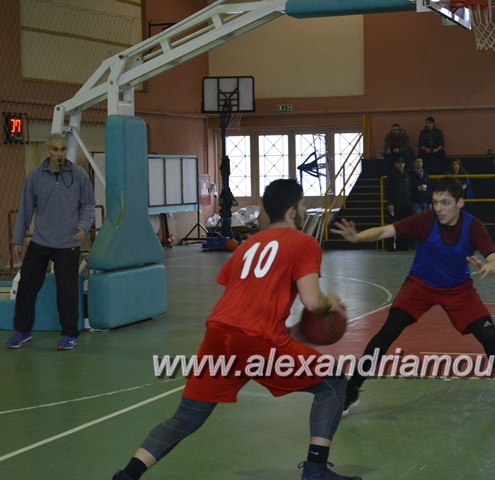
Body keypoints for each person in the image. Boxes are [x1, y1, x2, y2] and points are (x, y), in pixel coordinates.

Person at [112, 179, 360, 480]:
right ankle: (316, 470)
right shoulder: (304, 243)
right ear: (293, 211)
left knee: (185, 418)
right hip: (257, 341)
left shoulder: (248, 246)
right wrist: (329, 302)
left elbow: (245, 300)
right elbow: (312, 301)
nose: (305, 209)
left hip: (220, 335)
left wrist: (289, 331)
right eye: (304, 204)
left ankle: (127, 475)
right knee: (333, 382)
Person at [329, 177, 495, 412]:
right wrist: (358, 237)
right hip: (421, 285)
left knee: (490, 336)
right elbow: (387, 230)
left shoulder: (473, 226)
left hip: (458, 289)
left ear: (460, 203)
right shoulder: (425, 221)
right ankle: (351, 390)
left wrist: (489, 267)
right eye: (436, 202)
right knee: (388, 331)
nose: (439, 208)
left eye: (445, 203)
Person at [6, 133, 95, 350]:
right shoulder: (35, 177)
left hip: (68, 242)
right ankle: (23, 331)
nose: (59, 154)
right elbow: (25, 209)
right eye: (55, 149)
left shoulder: (79, 175)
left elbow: (88, 204)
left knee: (67, 290)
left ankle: (69, 334)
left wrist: (83, 226)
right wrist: (18, 239)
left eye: (63, 149)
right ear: (47, 151)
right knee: (26, 284)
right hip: (41, 240)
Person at [385, 157, 412, 250]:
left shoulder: (407, 175)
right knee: (392, 225)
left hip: (405, 205)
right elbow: (388, 190)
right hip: (394, 205)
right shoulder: (391, 175)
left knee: (403, 225)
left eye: (402, 163)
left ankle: (402, 245)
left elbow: (409, 189)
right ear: (395, 165)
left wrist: (409, 201)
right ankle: (390, 246)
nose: (401, 165)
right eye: (399, 163)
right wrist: (390, 203)